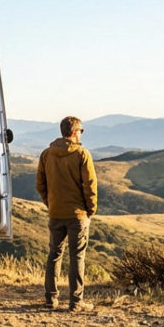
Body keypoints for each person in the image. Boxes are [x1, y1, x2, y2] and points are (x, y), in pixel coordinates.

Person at [35, 116, 98, 311]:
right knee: (77, 257)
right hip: (77, 214)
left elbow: (40, 184)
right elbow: (90, 185)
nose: (81, 134)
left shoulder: (46, 154)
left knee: (54, 254)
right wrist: (90, 209)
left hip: (56, 213)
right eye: (81, 131)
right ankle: (76, 302)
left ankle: (50, 299)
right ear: (74, 132)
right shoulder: (82, 154)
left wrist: (50, 204)